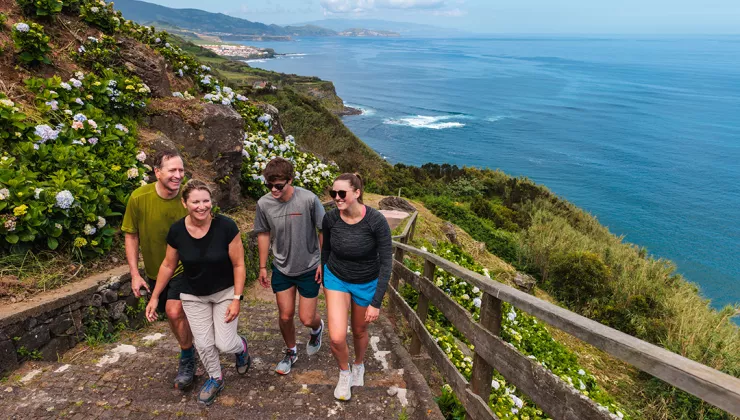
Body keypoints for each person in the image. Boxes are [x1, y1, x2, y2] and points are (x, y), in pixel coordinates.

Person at [145, 180, 251, 406]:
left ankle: (241, 347)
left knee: (224, 343)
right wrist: (155, 297)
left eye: (206, 201)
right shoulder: (177, 231)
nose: (201, 206)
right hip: (193, 294)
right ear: (185, 203)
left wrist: (236, 299)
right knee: (203, 344)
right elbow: (167, 265)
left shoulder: (226, 227)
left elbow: (239, 265)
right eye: (195, 201)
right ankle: (215, 378)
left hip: (225, 292)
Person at [122, 149, 196, 390]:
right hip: (157, 271)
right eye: (172, 170)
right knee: (175, 317)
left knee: (174, 312)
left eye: (181, 170)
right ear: (157, 172)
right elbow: (131, 235)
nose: (178, 175)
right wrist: (135, 273)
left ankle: (188, 360)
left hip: (188, 268)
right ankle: (197, 348)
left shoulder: (188, 198)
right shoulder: (138, 198)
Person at [321, 173, 392, 401]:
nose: (337, 198)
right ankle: (344, 372)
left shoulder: (376, 221)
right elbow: (326, 249)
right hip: (337, 278)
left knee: (360, 330)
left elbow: (387, 261)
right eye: (334, 193)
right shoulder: (330, 218)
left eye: (342, 193)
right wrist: (323, 274)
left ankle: (359, 364)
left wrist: (376, 302)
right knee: (337, 337)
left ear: (357, 193)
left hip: (366, 281)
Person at [254, 157, 326, 375]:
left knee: (306, 318)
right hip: (282, 268)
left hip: (309, 266)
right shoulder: (263, 204)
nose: (274, 190)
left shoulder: (309, 199)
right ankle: (291, 351)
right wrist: (263, 267)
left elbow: (324, 229)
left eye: (278, 185)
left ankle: (317, 327)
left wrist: (322, 261)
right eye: (269, 185)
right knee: (285, 315)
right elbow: (263, 233)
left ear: (290, 180)